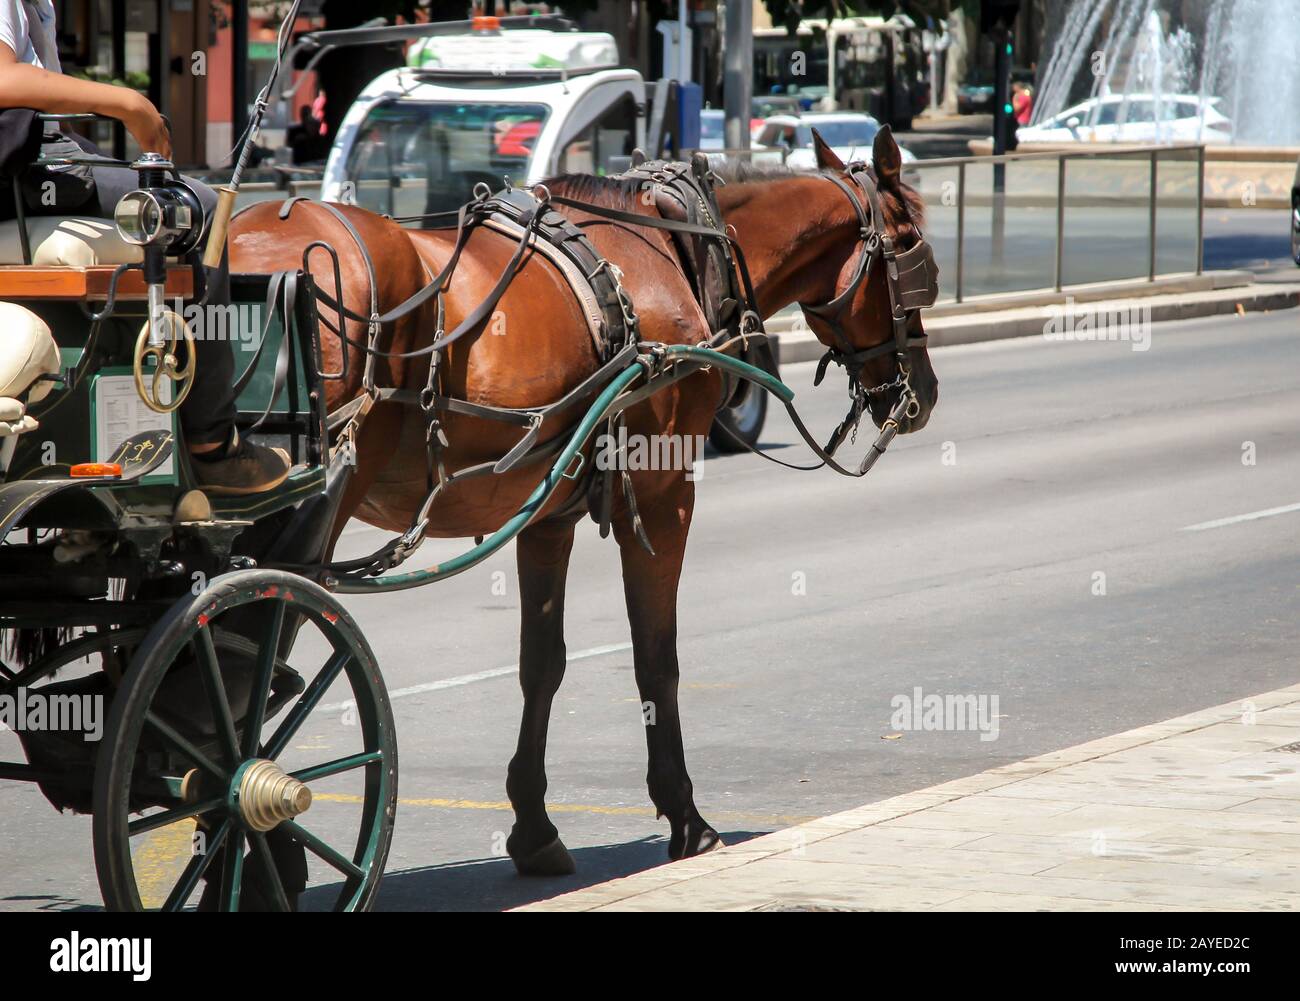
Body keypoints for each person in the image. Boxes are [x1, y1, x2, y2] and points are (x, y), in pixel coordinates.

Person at [0, 0, 290, 495]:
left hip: (28, 171)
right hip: (19, 178)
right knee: (194, 211)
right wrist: (128, 103)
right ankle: (213, 444)